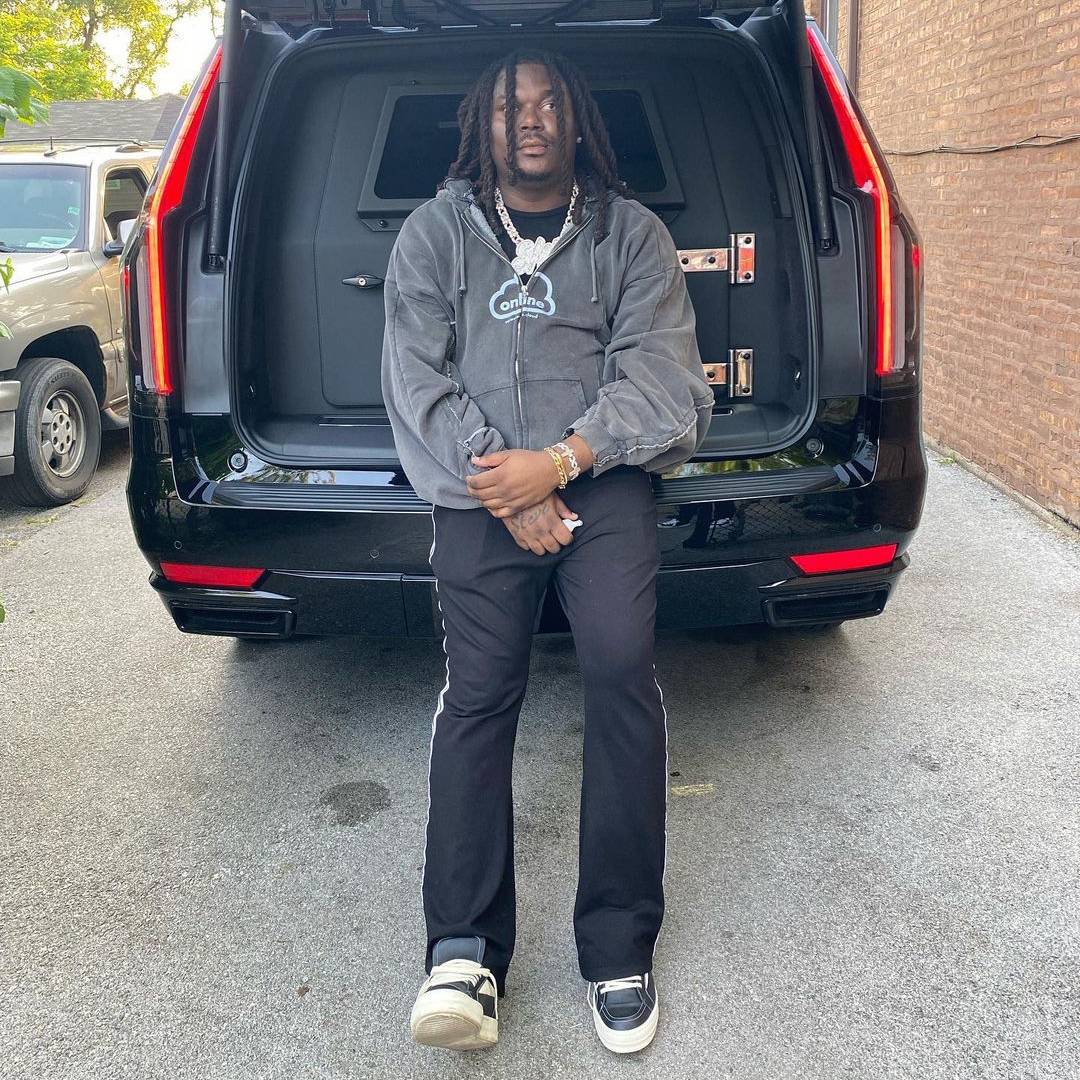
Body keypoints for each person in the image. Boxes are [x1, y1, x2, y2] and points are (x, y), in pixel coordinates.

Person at [380, 47, 713, 1055]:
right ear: (479, 127)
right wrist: (504, 479)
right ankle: (464, 951)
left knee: (619, 666)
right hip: (482, 490)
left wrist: (560, 463)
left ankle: (618, 943)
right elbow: (417, 379)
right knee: (480, 693)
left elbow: (668, 384)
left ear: (577, 120)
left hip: (601, 482)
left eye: (548, 102)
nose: (529, 118)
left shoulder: (630, 235)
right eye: (508, 106)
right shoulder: (434, 235)